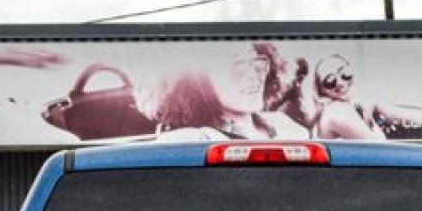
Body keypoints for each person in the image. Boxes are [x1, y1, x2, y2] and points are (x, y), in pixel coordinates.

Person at [137, 42, 309, 140]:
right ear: (198, 82)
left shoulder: (284, 124)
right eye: (236, 66)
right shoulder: (189, 140)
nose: (252, 75)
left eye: (257, 62)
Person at [310, 54, 384, 140]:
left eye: (344, 73)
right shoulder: (337, 110)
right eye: (329, 80)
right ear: (321, 89)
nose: (340, 83)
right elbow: (375, 146)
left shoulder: (351, 106)